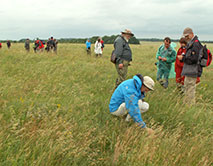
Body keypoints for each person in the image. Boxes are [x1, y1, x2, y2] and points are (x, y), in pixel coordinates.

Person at [177, 27, 203, 105]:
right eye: (185, 36)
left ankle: (190, 106)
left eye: (187, 36)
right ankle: (187, 105)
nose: (186, 38)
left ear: (192, 34)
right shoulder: (192, 43)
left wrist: (183, 58)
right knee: (187, 88)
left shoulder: (195, 44)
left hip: (193, 71)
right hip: (189, 71)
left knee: (190, 90)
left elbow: (194, 59)